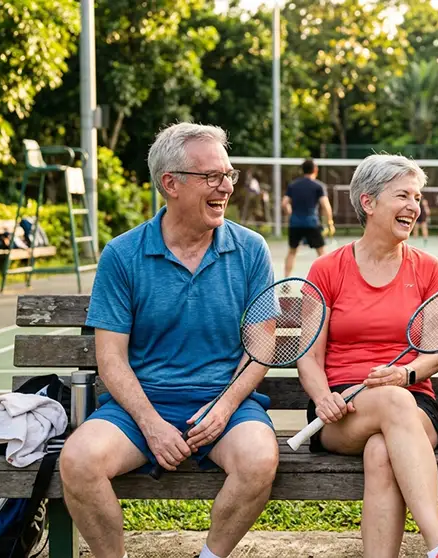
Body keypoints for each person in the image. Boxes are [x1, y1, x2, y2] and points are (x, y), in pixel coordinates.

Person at [59, 123, 279, 558]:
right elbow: (112, 360)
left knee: (258, 460)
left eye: (229, 174)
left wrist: (224, 407)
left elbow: (260, 349)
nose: (226, 187)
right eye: (212, 176)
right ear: (170, 184)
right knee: (78, 461)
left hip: (224, 405)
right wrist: (151, 423)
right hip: (142, 405)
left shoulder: (252, 249)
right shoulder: (122, 255)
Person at [297, 154, 438, 558]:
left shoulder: (429, 269)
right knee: (391, 409)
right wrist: (323, 397)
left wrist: (403, 376)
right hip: (342, 408)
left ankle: (435, 545)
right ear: (369, 202)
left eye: (417, 196)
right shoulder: (326, 269)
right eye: (403, 196)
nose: (414, 206)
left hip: (413, 401)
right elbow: (308, 355)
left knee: (381, 451)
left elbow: (432, 356)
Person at [283, 158, 334, 277]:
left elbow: (284, 203)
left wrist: (290, 213)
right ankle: (328, 279)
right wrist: (330, 223)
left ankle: (286, 280)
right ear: (315, 170)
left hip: (295, 224)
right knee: (321, 252)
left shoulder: (293, 185)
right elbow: (326, 206)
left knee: (292, 251)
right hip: (311, 223)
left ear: (302, 170)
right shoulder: (318, 186)